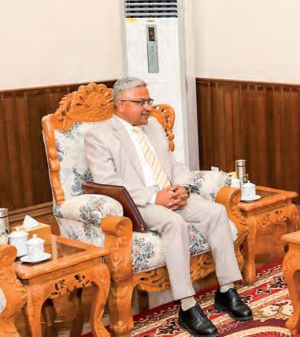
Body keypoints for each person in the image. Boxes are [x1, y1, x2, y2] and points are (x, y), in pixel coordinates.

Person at [85, 77, 252, 336]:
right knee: (174, 223)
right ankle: (187, 305)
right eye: (141, 102)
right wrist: (155, 197)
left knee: (216, 212)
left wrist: (182, 187)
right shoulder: (99, 135)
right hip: (139, 203)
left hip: (172, 194)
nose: (148, 107)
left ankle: (226, 290)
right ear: (121, 104)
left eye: (148, 101)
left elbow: (175, 164)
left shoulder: (153, 126)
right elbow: (108, 183)